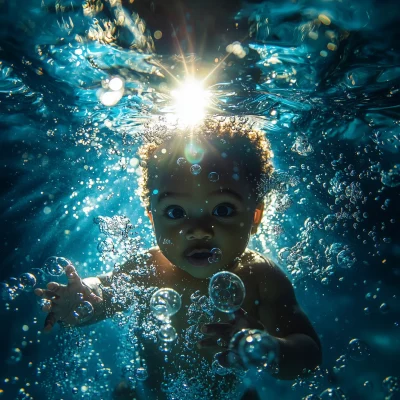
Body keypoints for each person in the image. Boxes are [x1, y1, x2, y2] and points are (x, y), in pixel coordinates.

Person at [34, 117, 322, 399]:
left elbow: (309, 353)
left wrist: (268, 348)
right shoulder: (148, 269)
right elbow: (103, 292)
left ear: (255, 216)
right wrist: (82, 295)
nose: (197, 230)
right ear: (152, 218)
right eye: (175, 212)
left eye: (222, 210)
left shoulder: (262, 277)